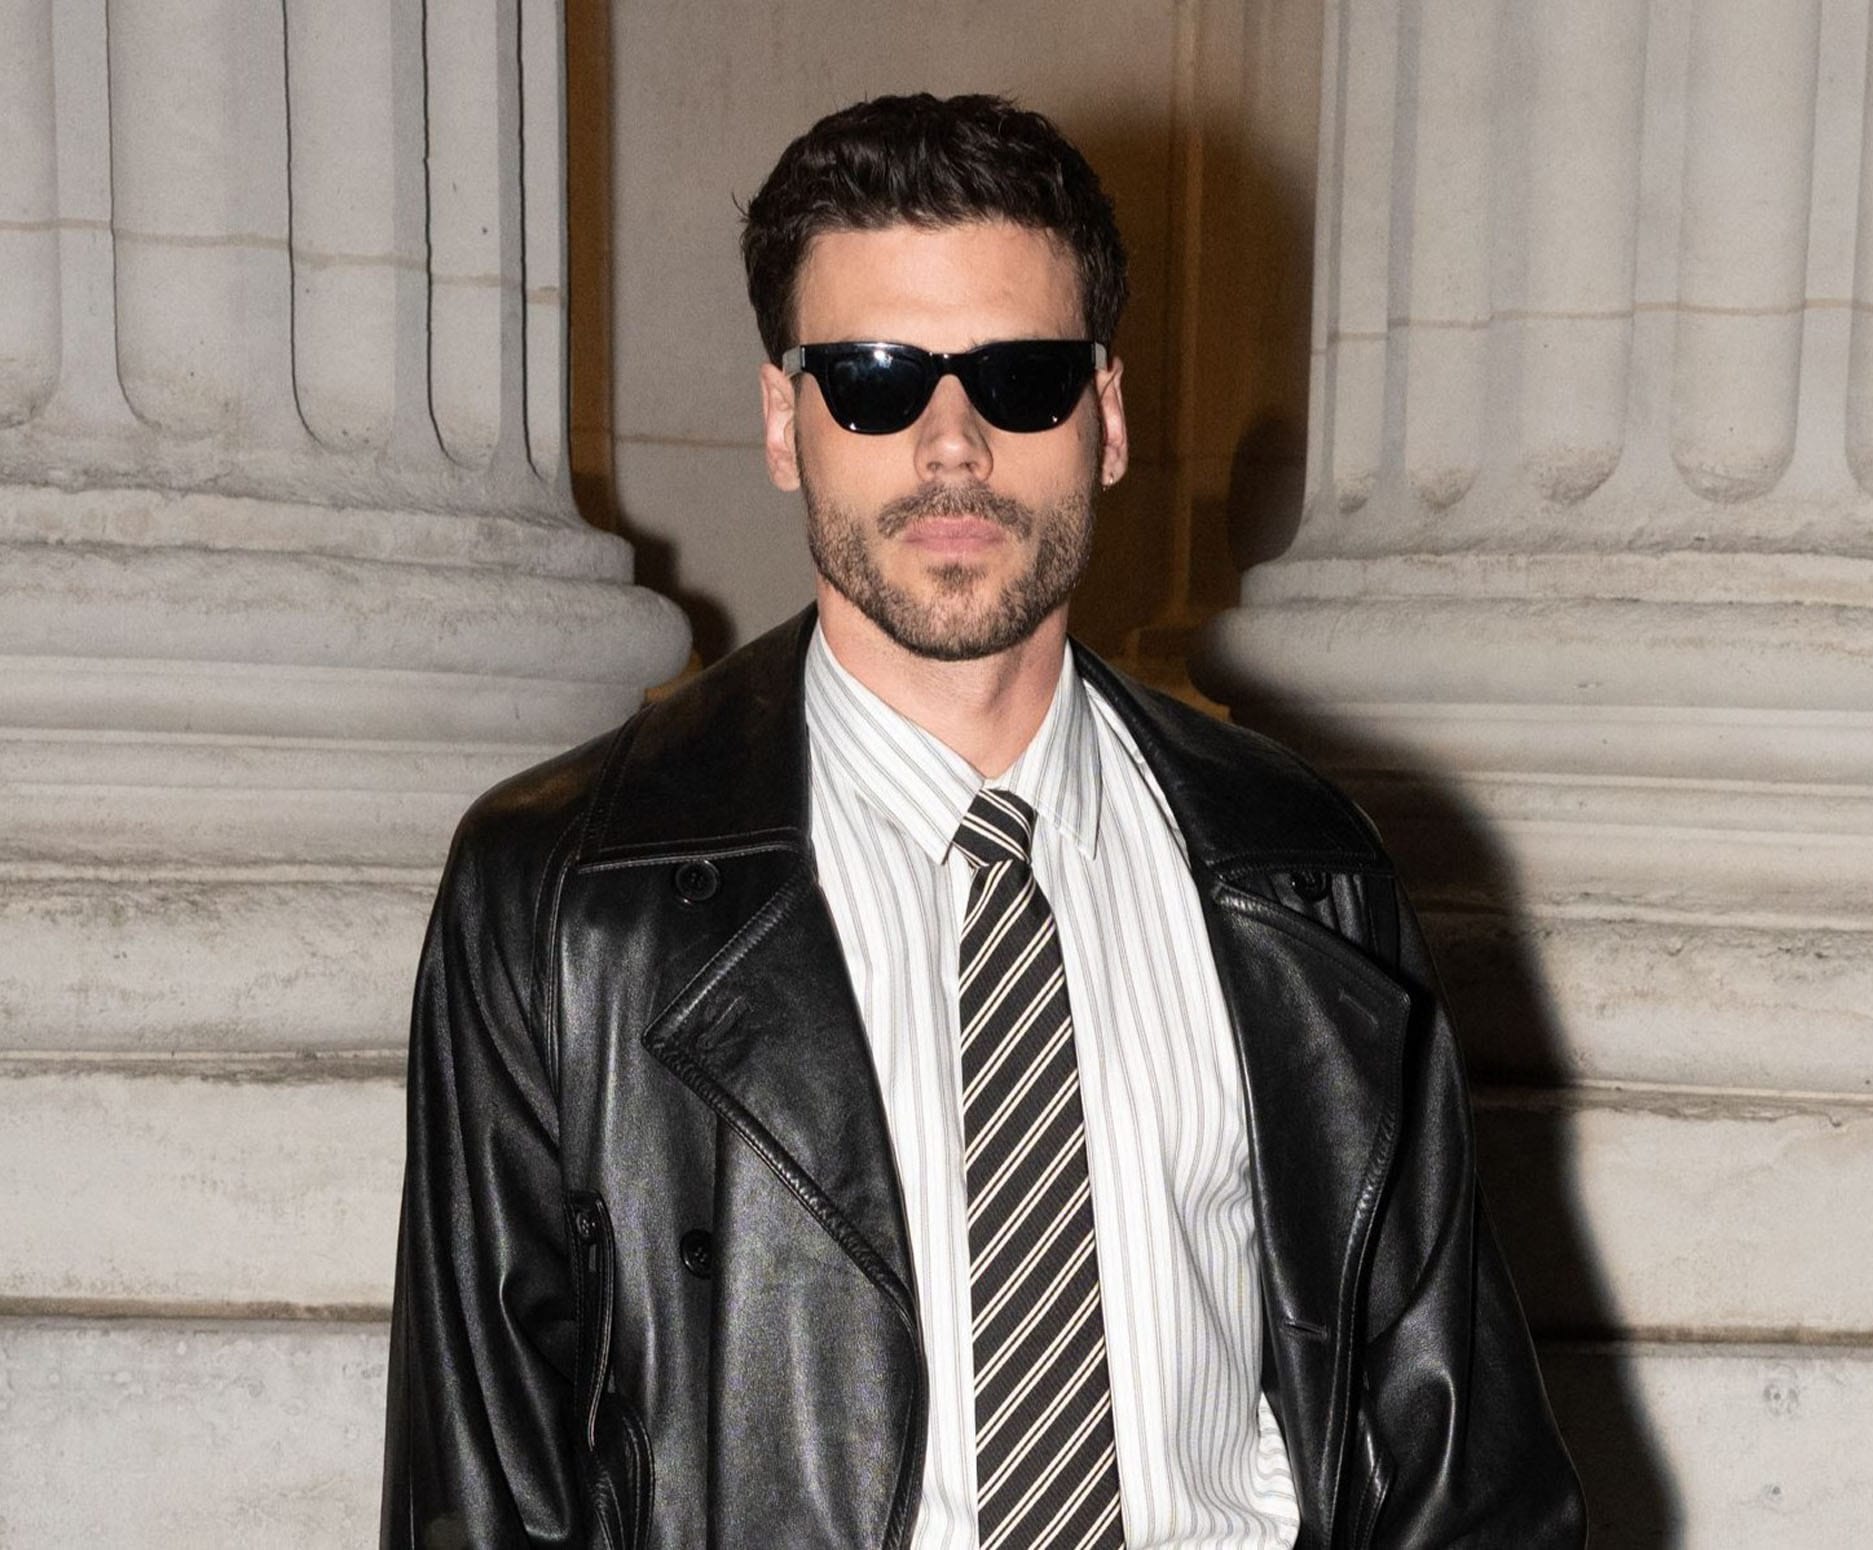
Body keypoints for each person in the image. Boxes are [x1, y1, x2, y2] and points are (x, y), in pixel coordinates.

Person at [381, 92, 1584, 1549]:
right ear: (785, 424)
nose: (951, 444)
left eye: (1020, 378)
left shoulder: (1303, 871)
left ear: (1108, 416)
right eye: (874, 380)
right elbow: (480, 1497)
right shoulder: (564, 898)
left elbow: (1465, 1472)